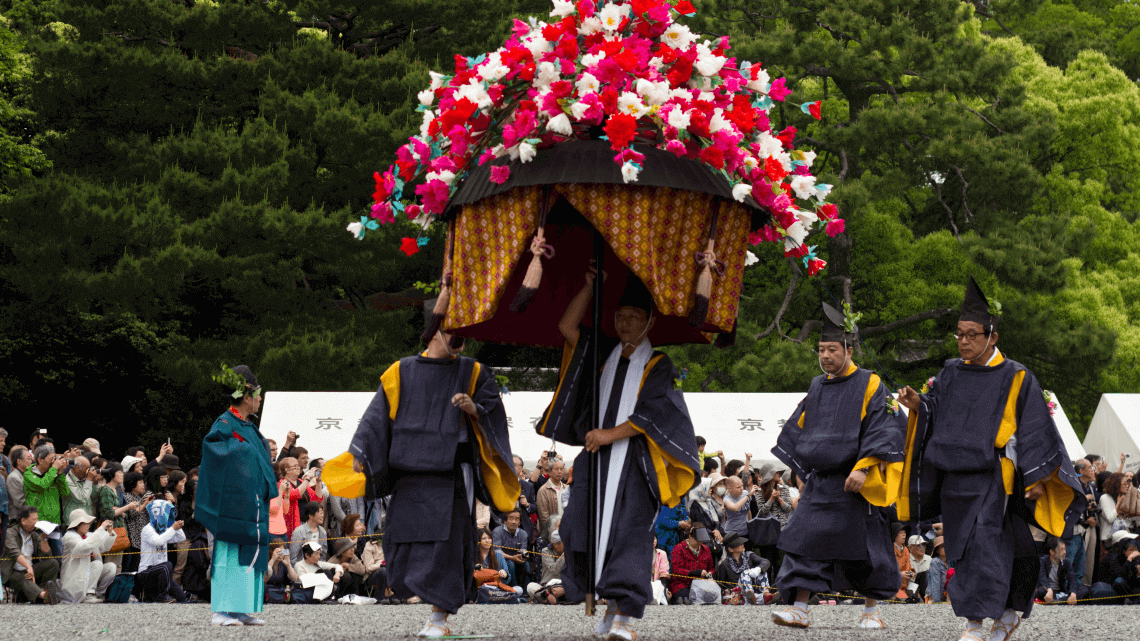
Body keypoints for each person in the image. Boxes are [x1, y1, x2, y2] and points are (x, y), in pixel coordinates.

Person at [898, 276, 1086, 641]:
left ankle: (974, 625)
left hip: (995, 476)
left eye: (972, 334)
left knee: (985, 545)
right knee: (963, 549)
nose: (964, 341)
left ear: (992, 337)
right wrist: (919, 404)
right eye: (959, 334)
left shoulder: (1016, 376)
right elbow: (938, 410)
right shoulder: (951, 371)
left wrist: (1034, 480)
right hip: (956, 476)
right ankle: (1004, 616)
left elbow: (1036, 430)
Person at [539, 271, 700, 641]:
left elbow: (654, 415)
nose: (625, 323)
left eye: (633, 317)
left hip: (635, 465)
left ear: (650, 322)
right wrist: (588, 287)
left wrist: (609, 434)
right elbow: (566, 326)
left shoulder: (657, 363)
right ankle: (605, 602)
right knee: (579, 528)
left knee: (628, 536)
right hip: (596, 462)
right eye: (620, 316)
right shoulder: (603, 353)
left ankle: (624, 615)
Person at [348, 302, 518, 638]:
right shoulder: (401, 371)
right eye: (455, 329)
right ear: (435, 329)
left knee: (448, 547)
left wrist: (474, 410)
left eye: (466, 333)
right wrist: (361, 452)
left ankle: (438, 618)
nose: (462, 339)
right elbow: (375, 417)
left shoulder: (472, 371)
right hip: (408, 475)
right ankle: (423, 603)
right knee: (401, 543)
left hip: (452, 475)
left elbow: (492, 412)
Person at [771, 302, 905, 630]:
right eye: (820, 349)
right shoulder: (818, 385)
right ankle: (800, 608)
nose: (825, 356)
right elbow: (802, 425)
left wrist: (864, 467)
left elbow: (886, 425)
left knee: (868, 546)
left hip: (859, 479)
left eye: (832, 349)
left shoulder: (872, 383)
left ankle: (871, 611)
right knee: (805, 540)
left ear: (848, 350)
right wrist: (801, 469)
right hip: (822, 481)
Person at [196, 364, 278, 626]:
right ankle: (221, 610)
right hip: (232, 504)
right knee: (230, 553)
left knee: (249, 552)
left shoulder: (248, 427)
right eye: (258, 394)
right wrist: (243, 453)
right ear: (246, 395)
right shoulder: (224, 423)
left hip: (251, 503)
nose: (260, 399)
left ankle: (241, 609)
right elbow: (213, 452)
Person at [1, 506, 62, 604]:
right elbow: (14, 551)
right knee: (23, 577)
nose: (36, 522)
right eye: (34, 519)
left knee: (53, 563)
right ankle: (44, 596)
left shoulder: (34, 535)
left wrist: (43, 539)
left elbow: (46, 557)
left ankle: (45, 593)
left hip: (29, 570)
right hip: (11, 572)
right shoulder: (11, 532)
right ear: (24, 521)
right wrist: (28, 566)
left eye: (37, 519)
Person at [138, 499, 191, 603]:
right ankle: (162, 597)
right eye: (167, 513)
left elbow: (181, 538)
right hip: (146, 573)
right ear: (158, 513)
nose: (168, 515)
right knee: (167, 565)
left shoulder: (164, 528)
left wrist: (174, 524)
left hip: (162, 574)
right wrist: (173, 529)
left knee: (181, 597)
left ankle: (161, 595)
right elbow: (158, 541)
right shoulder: (147, 529)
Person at [59, 509, 116, 604]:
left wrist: (109, 533)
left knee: (111, 567)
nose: (88, 525)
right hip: (75, 577)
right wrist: (101, 529)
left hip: (87, 574)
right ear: (76, 525)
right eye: (85, 523)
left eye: (88, 523)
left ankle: (98, 593)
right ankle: (88, 595)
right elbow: (84, 546)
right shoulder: (69, 536)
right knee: (97, 564)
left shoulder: (89, 535)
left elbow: (104, 547)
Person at [23, 444, 71, 539]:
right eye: (51, 459)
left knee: (58, 553)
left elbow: (65, 493)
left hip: (54, 523)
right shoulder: (29, 474)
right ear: (40, 460)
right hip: (37, 525)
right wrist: (54, 468)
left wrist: (60, 473)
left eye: (55, 458)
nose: (54, 462)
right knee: (41, 553)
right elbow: (42, 485)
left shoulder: (53, 474)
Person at [1068, 459, 1099, 586]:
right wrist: (1085, 518)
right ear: (1081, 471)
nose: (1093, 470)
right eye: (1090, 467)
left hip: (1089, 527)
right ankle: (1070, 589)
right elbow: (1069, 507)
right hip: (1076, 527)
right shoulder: (1074, 485)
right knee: (1073, 560)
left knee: (1087, 560)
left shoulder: (1091, 486)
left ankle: (1084, 588)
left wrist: (1090, 509)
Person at [715, 534, 770, 603]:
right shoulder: (724, 564)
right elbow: (721, 585)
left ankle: (765, 594)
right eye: (738, 543)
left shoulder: (749, 555)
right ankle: (757, 598)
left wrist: (758, 569)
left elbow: (766, 562)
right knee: (745, 573)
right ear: (731, 549)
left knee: (762, 571)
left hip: (755, 590)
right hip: (737, 595)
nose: (742, 544)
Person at [668, 525, 714, 604]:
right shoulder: (678, 548)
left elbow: (711, 568)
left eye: (702, 540)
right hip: (681, 584)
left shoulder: (706, 549)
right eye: (697, 540)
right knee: (685, 601)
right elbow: (676, 570)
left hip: (701, 583)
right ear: (690, 536)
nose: (700, 542)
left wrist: (710, 574)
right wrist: (694, 572)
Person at [1035, 537, 1088, 604]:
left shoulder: (1066, 561)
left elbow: (1072, 578)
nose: (1065, 552)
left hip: (1060, 591)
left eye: (1065, 549)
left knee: (1084, 589)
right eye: (1061, 550)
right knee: (1041, 591)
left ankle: (1058, 601)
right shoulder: (1043, 561)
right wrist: (1049, 589)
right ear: (1052, 552)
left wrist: (1073, 593)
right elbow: (1042, 577)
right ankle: (1062, 600)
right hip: (1047, 590)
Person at [120, 471, 153, 572]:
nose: (143, 485)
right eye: (140, 482)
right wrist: (145, 504)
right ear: (132, 483)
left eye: (143, 482)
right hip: (132, 537)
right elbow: (131, 514)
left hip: (140, 537)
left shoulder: (139, 497)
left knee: (138, 566)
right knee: (130, 567)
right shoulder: (127, 496)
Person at [491, 509, 530, 588]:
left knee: (526, 564)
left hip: (516, 558)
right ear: (505, 521)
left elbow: (523, 549)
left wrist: (524, 555)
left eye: (517, 519)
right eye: (511, 518)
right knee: (510, 564)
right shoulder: (497, 532)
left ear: (519, 522)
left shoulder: (523, 534)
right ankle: (513, 588)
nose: (514, 522)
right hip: (501, 560)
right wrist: (512, 558)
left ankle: (526, 591)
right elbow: (497, 551)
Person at [527, 530, 567, 604]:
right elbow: (554, 570)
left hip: (563, 586)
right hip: (547, 587)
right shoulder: (546, 551)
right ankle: (549, 597)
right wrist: (564, 555)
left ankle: (546, 599)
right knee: (531, 586)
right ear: (555, 544)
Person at [536, 458, 567, 538]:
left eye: (561, 469)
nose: (559, 471)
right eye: (556, 469)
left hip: (567, 531)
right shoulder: (543, 490)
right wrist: (554, 531)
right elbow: (544, 517)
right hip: (551, 534)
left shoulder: (567, 489)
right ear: (549, 472)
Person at [6, 446, 31, 518]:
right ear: (19, 461)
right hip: (18, 520)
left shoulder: (26, 475)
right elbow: (20, 503)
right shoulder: (14, 477)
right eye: (28, 459)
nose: (31, 461)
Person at [909, 535, 932, 600]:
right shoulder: (906, 560)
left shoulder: (930, 559)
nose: (922, 548)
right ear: (910, 548)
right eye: (919, 545)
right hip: (910, 590)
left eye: (923, 545)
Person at [929, 536, 950, 603]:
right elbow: (935, 583)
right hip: (937, 597)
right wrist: (936, 601)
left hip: (949, 596)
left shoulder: (951, 562)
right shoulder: (935, 562)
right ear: (937, 550)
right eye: (943, 546)